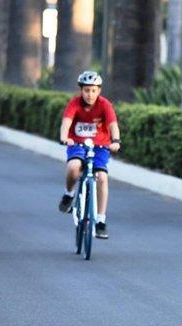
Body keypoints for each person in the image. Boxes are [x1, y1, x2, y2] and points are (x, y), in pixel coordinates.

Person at [57, 71, 121, 239]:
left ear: (99, 90)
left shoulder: (105, 105)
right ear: (81, 90)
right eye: (86, 90)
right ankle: (69, 194)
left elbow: (113, 124)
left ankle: (100, 220)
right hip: (77, 143)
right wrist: (64, 138)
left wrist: (116, 140)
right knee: (73, 167)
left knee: (102, 177)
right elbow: (66, 123)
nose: (90, 94)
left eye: (93, 90)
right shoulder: (74, 103)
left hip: (100, 146)